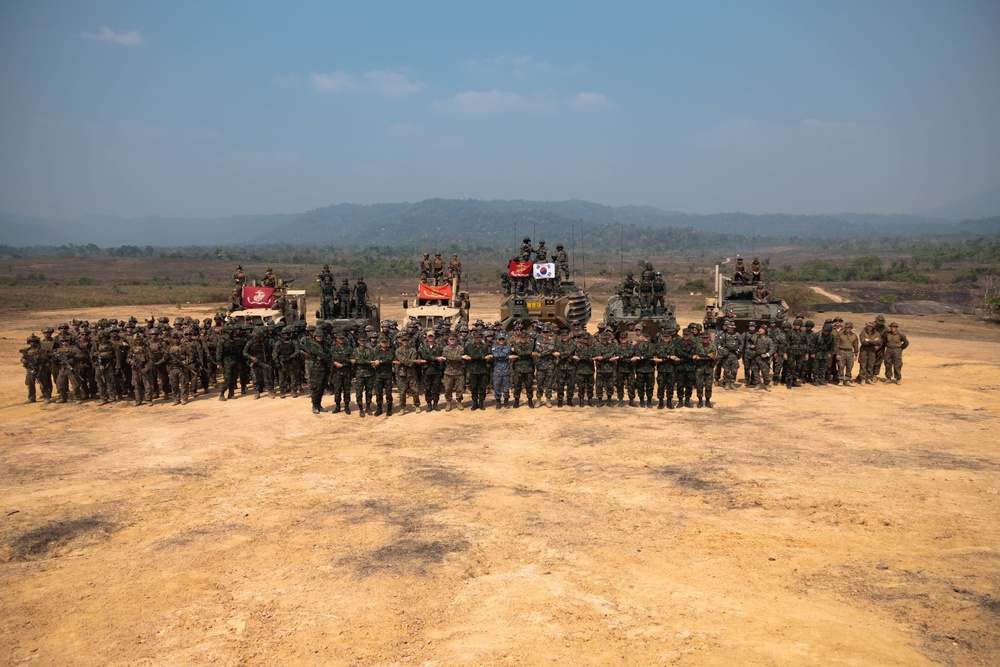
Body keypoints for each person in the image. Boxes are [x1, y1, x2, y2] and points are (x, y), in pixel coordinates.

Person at [393, 333, 422, 413]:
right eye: (403, 341)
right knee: (402, 392)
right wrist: (412, 361)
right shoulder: (398, 351)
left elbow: (410, 361)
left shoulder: (413, 350)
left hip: (411, 373)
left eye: (406, 340)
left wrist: (404, 362)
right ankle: (402, 408)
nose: (405, 342)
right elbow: (406, 360)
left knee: (415, 391)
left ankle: (417, 406)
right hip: (401, 374)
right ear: (401, 342)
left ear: (408, 341)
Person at [464, 329, 492, 410]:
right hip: (473, 370)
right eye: (475, 338)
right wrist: (483, 357)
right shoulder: (469, 346)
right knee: (474, 387)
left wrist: (475, 357)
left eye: (478, 337)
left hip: (483, 370)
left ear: (481, 338)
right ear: (473, 338)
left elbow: (486, 356)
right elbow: (472, 355)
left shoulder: (485, 346)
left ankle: (481, 403)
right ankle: (474, 403)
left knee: (482, 387)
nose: (477, 339)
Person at [532, 326, 557, 407]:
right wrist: (544, 350)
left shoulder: (551, 340)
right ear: (542, 333)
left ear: (549, 332)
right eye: (544, 332)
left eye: (547, 332)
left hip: (549, 365)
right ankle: (538, 399)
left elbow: (551, 349)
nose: (545, 333)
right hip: (540, 365)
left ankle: (548, 400)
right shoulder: (538, 340)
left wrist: (540, 354)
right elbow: (538, 348)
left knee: (549, 384)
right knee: (539, 383)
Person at [510, 329, 536, 408]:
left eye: (524, 337)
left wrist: (522, 354)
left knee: (529, 385)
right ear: (519, 337)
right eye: (522, 337)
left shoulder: (531, 344)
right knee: (517, 385)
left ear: (527, 338)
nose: (523, 339)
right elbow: (521, 352)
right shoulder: (516, 344)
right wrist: (527, 354)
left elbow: (524, 352)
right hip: (518, 368)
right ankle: (516, 401)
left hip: (528, 368)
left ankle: (530, 401)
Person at [442, 333, 466, 411]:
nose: (452, 341)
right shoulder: (445, 348)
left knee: (459, 388)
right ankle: (448, 403)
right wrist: (460, 357)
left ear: (456, 340)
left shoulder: (460, 348)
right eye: (450, 339)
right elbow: (447, 357)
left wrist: (457, 358)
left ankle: (459, 402)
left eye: (453, 339)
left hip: (459, 372)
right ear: (448, 340)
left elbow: (454, 358)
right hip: (448, 372)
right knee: (448, 389)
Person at [694, 331, 717, 407]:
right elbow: (696, 355)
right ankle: (700, 401)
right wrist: (707, 356)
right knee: (699, 385)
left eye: (706, 338)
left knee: (708, 386)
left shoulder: (712, 346)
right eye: (703, 338)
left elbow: (713, 356)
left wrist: (705, 357)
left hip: (709, 368)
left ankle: (707, 400)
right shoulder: (698, 346)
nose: (705, 339)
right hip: (699, 368)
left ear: (708, 338)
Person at [491, 332, 512, 409]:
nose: (501, 340)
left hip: (506, 370)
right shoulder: (494, 348)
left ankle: (506, 401)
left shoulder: (508, 348)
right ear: (497, 340)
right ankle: (498, 402)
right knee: (497, 387)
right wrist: (506, 356)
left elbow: (498, 355)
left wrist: (499, 356)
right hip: (497, 370)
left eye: (503, 339)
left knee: (506, 387)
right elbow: (496, 355)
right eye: (500, 339)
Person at [835, 322, 860, 386]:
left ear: (851, 328)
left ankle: (848, 380)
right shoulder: (840, 335)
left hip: (850, 352)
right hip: (841, 352)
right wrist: (837, 354)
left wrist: (856, 354)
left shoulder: (854, 336)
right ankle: (840, 380)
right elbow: (837, 345)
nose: (847, 329)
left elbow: (856, 345)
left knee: (849, 367)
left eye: (848, 328)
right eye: (846, 327)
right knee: (840, 366)